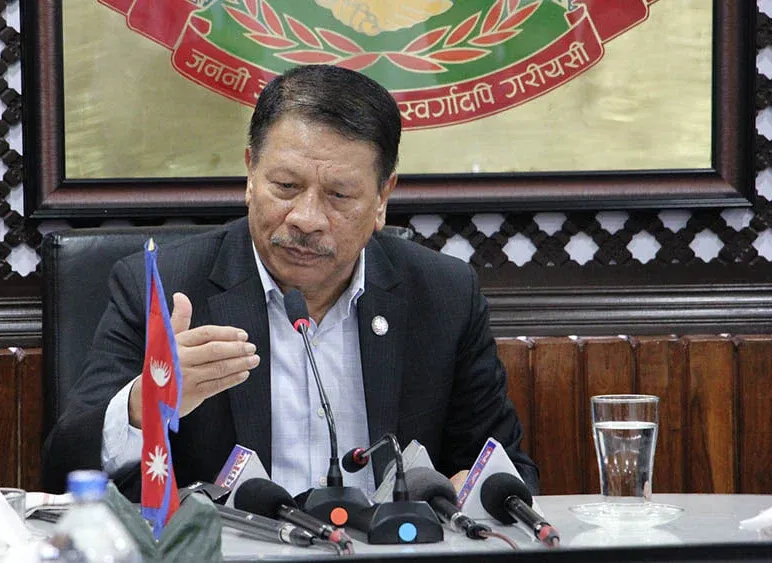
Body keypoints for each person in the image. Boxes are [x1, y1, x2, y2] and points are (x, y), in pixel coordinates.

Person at [43, 64, 538, 500]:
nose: (306, 218)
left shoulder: (443, 295)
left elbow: (508, 475)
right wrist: (144, 405)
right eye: (285, 186)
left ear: (382, 198)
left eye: (339, 195)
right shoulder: (161, 288)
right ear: (250, 174)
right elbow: (62, 472)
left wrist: (476, 490)